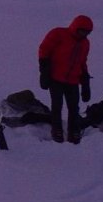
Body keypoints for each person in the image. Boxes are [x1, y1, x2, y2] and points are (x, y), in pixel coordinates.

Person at [38, 15, 93, 144]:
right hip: (55, 78)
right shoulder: (58, 34)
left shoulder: (85, 43)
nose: (84, 34)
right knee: (57, 106)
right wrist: (44, 71)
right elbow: (44, 50)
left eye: (87, 32)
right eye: (82, 31)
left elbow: (82, 62)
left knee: (74, 107)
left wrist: (85, 82)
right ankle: (56, 130)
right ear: (76, 27)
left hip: (72, 80)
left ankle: (74, 131)